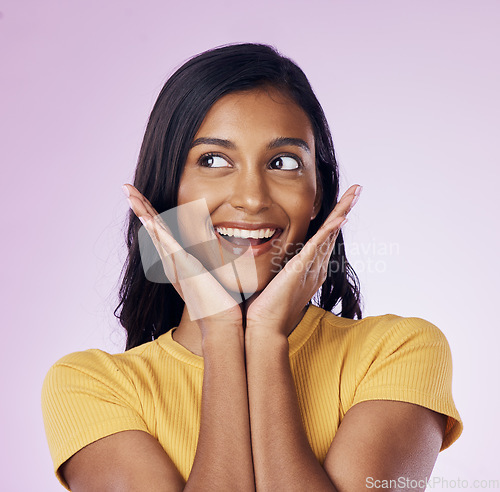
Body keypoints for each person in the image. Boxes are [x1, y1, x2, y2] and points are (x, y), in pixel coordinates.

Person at [41, 42, 462, 491]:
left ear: (317, 194)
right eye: (214, 160)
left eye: (283, 163)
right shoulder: (91, 386)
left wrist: (265, 340)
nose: (252, 198)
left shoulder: (398, 351)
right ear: (167, 190)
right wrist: (222, 334)